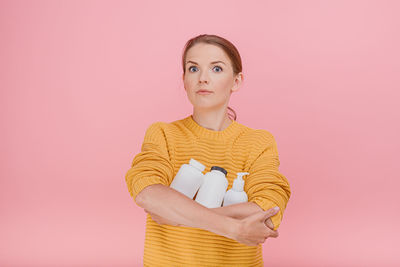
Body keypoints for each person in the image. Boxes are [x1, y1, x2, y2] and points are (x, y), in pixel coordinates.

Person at [125, 34, 291, 266]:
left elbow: (268, 210)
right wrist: (232, 228)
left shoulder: (258, 142)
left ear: (236, 81)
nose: (203, 78)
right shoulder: (163, 134)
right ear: (184, 80)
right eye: (193, 69)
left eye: (216, 69)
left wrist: (173, 213)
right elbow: (147, 193)